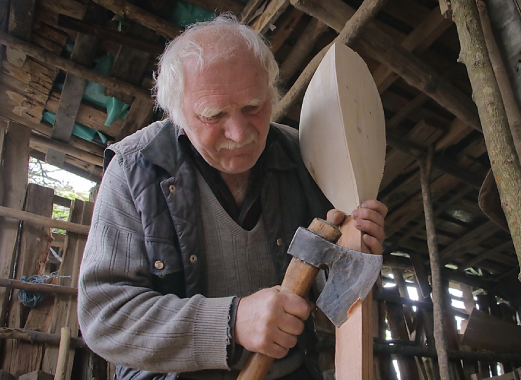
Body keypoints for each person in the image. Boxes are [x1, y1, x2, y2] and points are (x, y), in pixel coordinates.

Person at [77, 13, 387, 380]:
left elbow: (330, 301)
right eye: (213, 114)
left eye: (254, 107)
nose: (240, 134)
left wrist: (356, 252)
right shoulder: (135, 168)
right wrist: (231, 321)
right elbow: (104, 317)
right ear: (177, 114)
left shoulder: (304, 154)